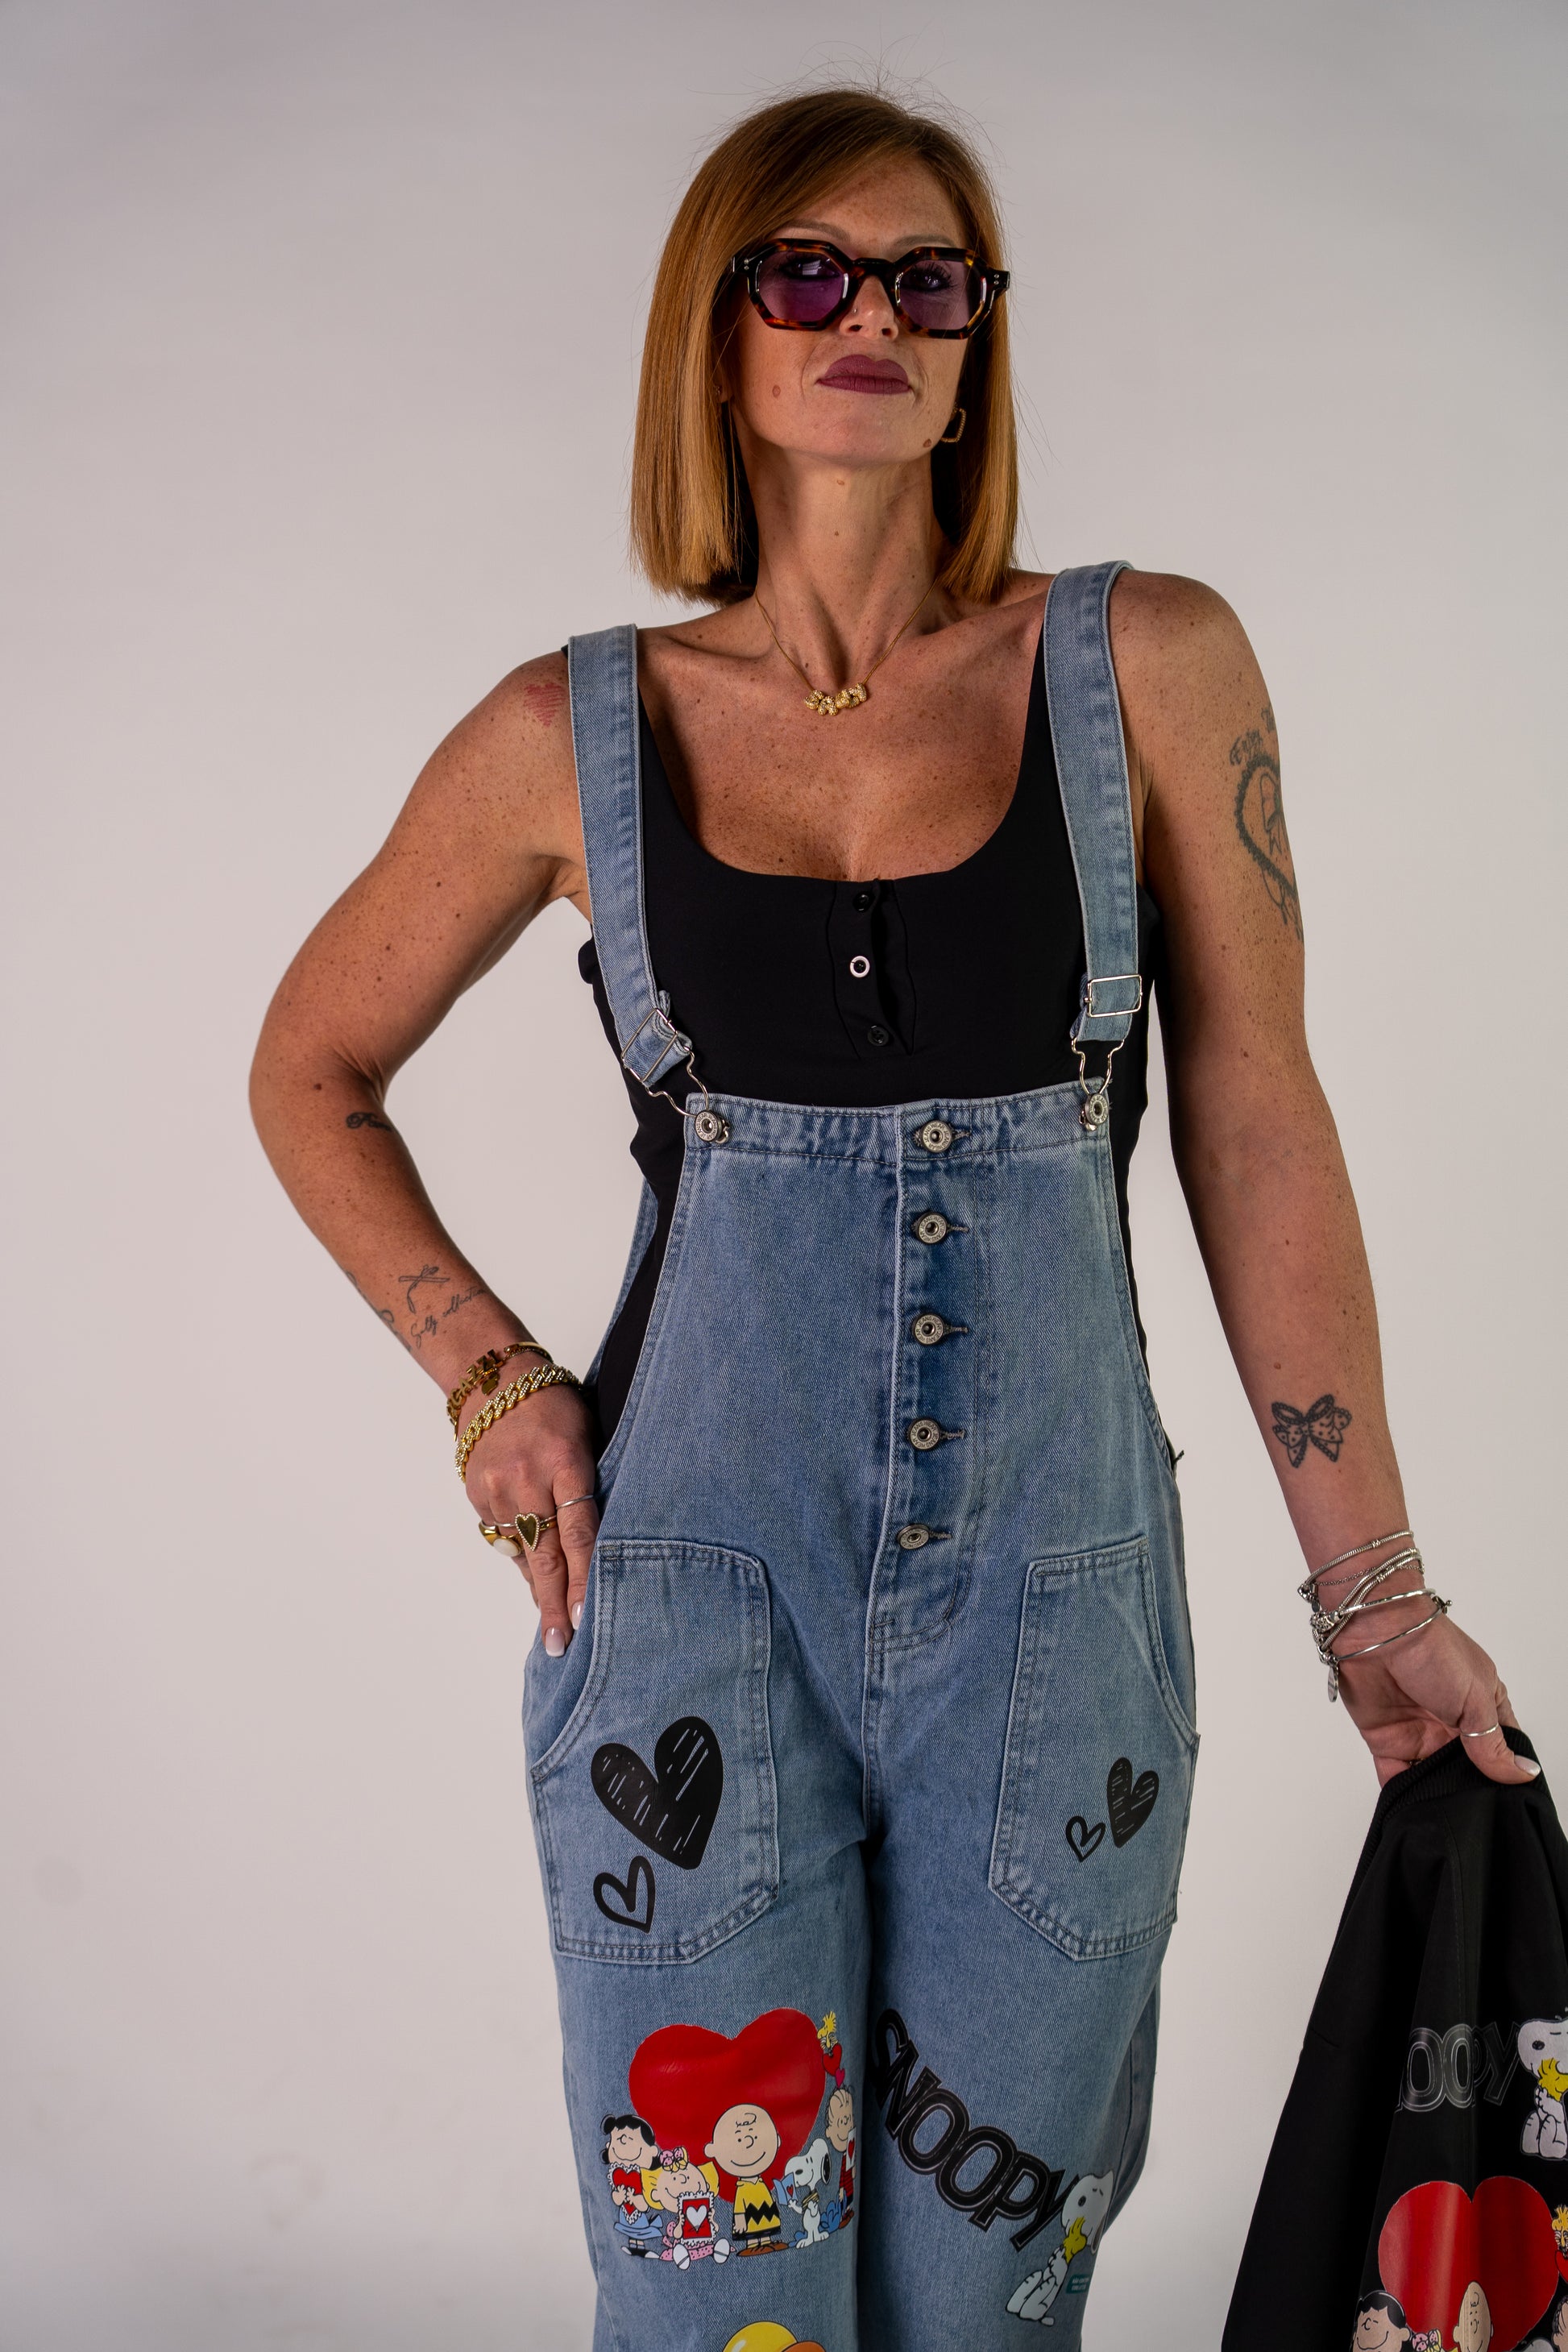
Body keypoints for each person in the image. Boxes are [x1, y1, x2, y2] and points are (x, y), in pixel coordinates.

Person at [249, 81, 1534, 2352]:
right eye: (808, 271)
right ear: (717, 329)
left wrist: (1377, 1591)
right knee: (719, 2299)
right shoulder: (571, 734)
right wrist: (491, 1381)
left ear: (976, 344)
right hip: (684, 1609)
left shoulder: (1143, 666)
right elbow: (308, 1069)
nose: (873, 314)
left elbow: (1253, 1116)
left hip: (1059, 1622)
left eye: (929, 280)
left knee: (988, 2296)